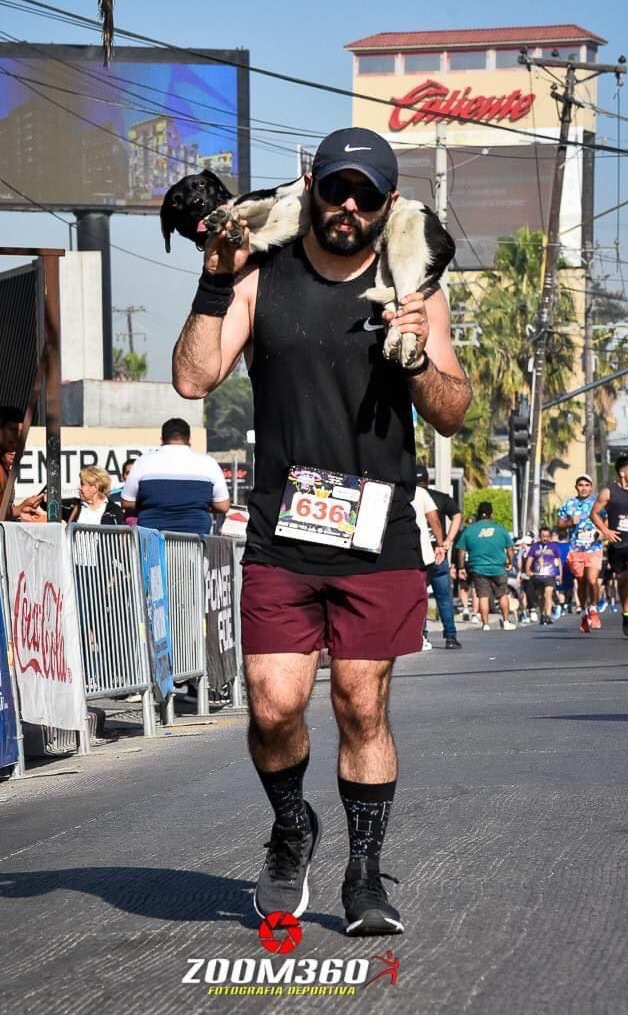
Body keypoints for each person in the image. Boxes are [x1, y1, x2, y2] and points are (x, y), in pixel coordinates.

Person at [172, 126, 471, 936]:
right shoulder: (260, 273)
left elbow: (453, 408)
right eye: (336, 189)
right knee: (273, 705)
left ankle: (364, 874)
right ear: (312, 183)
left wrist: (413, 358)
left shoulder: (414, 282)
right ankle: (291, 825)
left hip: (378, 534)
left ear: (389, 204)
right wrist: (211, 281)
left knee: (359, 704)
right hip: (282, 528)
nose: (347, 207)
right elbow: (194, 376)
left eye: (365, 196)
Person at [120, 418, 230, 535]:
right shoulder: (208, 463)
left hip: (153, 540)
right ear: (189, 440)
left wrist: (151, 502)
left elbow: (126, 502)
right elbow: (223, 506)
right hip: (194, 539)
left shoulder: (143, 462)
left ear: (162, 440)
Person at [590, 456, 628, 636]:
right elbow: (593, 514)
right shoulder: (608, 492)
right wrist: (605, 530)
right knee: (623, 581)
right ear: (622, 473)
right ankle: (626, 613)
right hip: (618, 544)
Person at [415, 463, 462, 649]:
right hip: (439, 554)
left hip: (419, 555)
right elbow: (457, 515)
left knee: (420, 598)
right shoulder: (440, 497)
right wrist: (446, 541)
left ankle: (423, 635)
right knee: (444, 598)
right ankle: (450, 636)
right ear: (428, 480)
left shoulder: (411, 497)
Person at [455, 502, 516, 631]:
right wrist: (511, 562)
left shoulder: (469, 530)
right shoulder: (500, 529)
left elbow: (461, 551)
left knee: (483, 596)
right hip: (498, 567)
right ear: (491, 514)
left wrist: (460, 568)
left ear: (478, 514)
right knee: (502, 595)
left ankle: (486, 624)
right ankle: (506, 621)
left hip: (478, 568)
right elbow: (510, 548)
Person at [556, 474, 604, 633]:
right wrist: (570, 522)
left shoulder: (597, 503)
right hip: (576, 550)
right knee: (582, 582)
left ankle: (594, 609)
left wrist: (601, 533)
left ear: (591, 487)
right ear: (576, 487)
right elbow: (559, 525)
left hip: (594, 548)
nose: (583, 488)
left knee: (592, 580)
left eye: (586, 485)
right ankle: (584, 613)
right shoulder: (569, 504)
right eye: (580, 485)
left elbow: (607, 521)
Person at [411, 481, 445, 651]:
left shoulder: (389, 488)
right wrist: (440, 544)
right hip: (421, 554)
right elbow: (434, 518)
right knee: (419, 596)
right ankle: (420, 635)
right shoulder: (420, 493)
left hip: (394, 555)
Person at [524, 526, 562, 624]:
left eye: (547, 536)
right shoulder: (534, 547)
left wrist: (560, 574)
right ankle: (542, 615)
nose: (545, 538)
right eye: (542, 536)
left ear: (549, 536)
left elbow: (558, 560)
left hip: (550, 574)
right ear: (539, 536)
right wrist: (527, 569)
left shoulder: (553, 547)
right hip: (538, 575)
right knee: (541, 596)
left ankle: (548, 616)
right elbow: (529, 559)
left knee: (547, 593)